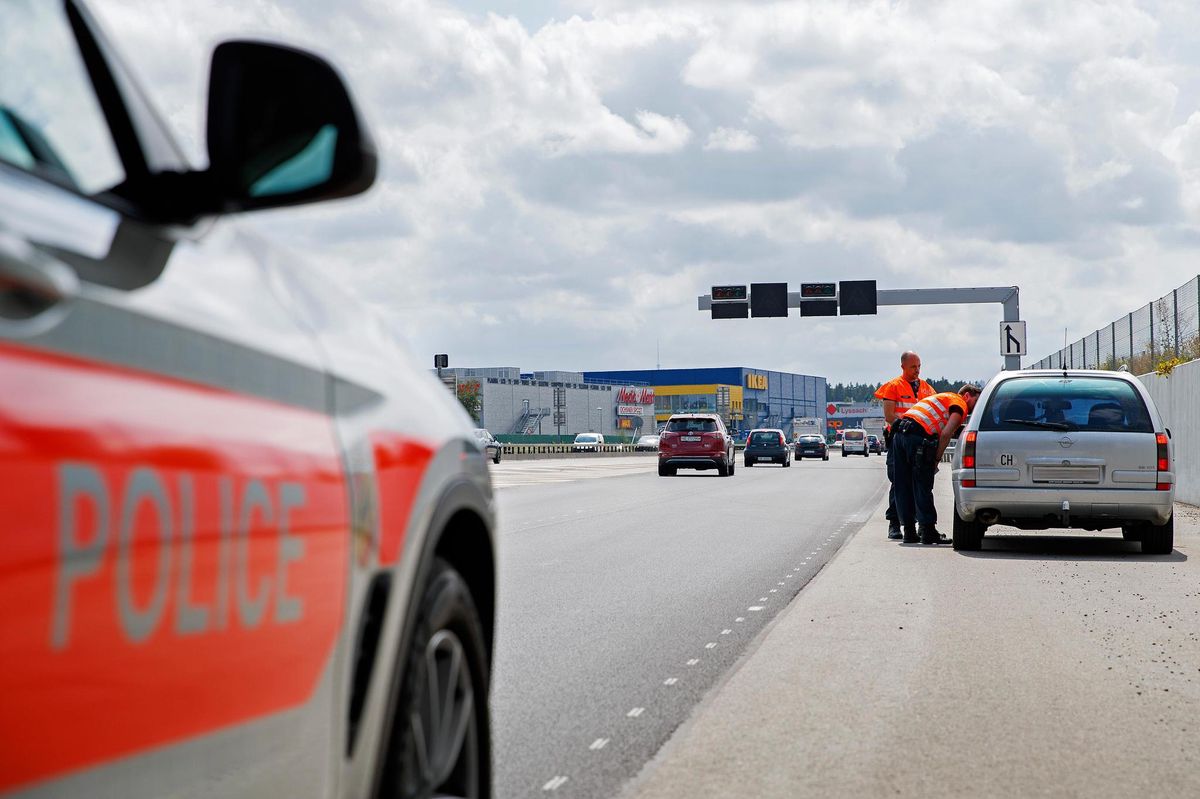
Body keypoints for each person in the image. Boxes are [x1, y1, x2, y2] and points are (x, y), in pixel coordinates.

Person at [891, 384, 982, 545]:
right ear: (967, 396)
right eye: (977, 401)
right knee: (923, 485)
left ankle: (909, 532)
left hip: (900, 434)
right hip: (917, 438)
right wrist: (936, 460)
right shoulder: (959, 403)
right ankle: (928, 531)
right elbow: (946, 434)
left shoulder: (942, 398)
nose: (977, 406)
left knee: (903, 485)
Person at [874, 352, 935, 540]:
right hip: (898, 440)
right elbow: (889, 415)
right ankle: (894, 523)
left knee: (919, 482)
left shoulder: (927, 388)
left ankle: (919, 525)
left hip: (918, 442)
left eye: (919, 366)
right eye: (913, 367)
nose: (917, 370)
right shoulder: (893, 386)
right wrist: (905, 426)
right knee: (898, 482)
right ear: (903, 367)